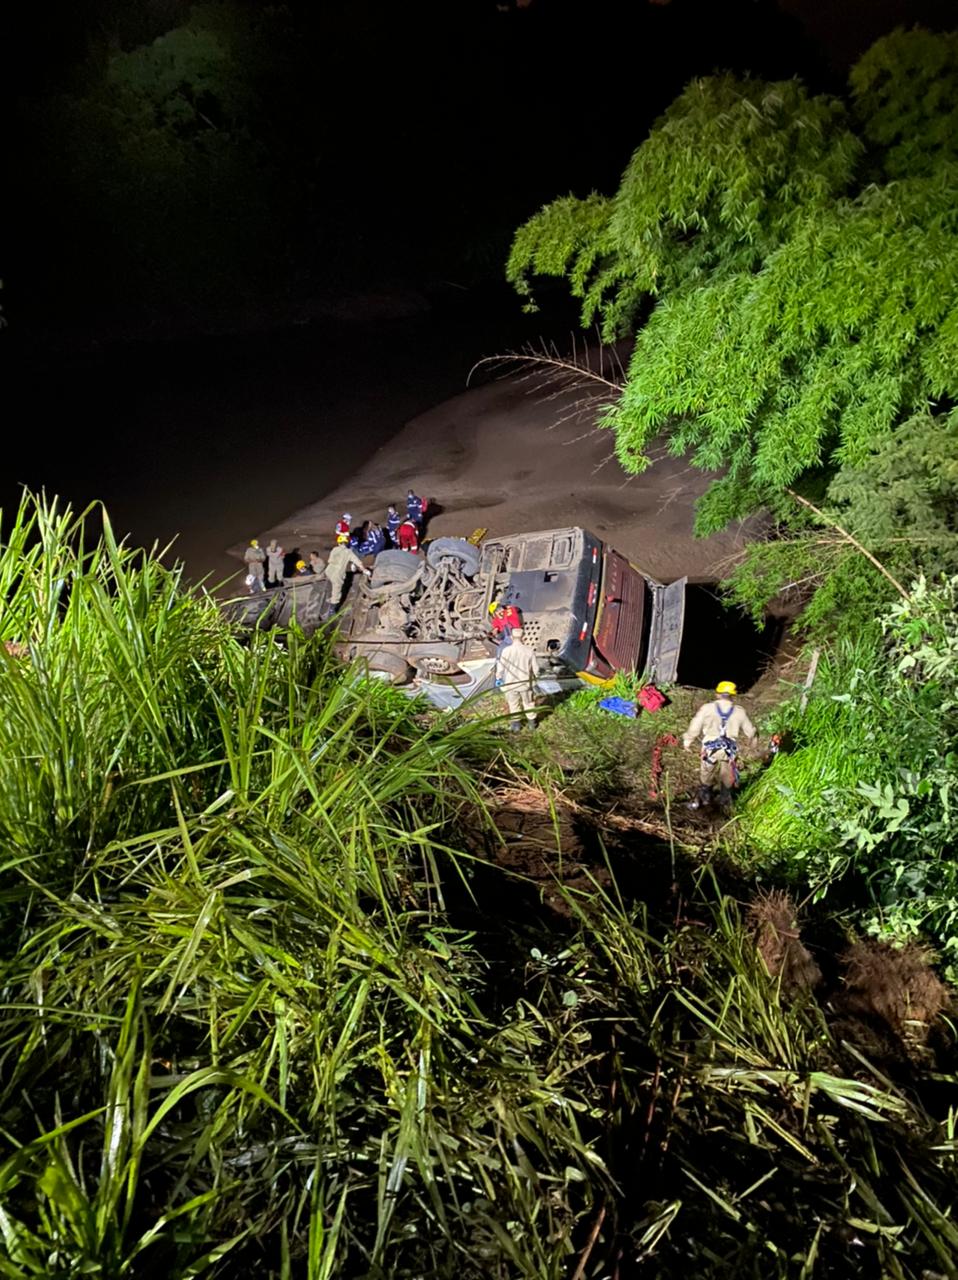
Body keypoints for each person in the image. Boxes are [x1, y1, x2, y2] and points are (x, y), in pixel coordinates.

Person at [683, 680, 757, 811]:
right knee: (727, 775)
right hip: (729, 751)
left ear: (718, 694)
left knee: (706, 773)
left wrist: (687, 741)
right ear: (733, 696)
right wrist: (754, 744)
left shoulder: (707, 709)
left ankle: (705, 797)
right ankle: (725, 800)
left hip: (710, 749)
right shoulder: (739, 712)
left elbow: (695, 726)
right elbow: (751, 731)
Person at [494, 626, 539, 732]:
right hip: (525, 684)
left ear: (512, 637)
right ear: (523, 637)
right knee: (529, 703)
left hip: (510, 683)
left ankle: (516, 726)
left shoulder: (506, 651)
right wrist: (536, 678)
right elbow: (536, 669)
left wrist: (498, 678)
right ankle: (532, 725)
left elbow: (500, 668)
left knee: (513, 704)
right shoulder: (529, 651)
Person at [325, 540, 370, 608]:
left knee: (333, 584)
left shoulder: (335, 549)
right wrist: (364, 569)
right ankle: (332, 610)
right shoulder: (348, 552)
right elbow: (357, 561)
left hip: (329, 570)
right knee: (337, 591)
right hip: (338, 573)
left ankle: (332, 598)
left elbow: (330, 560)